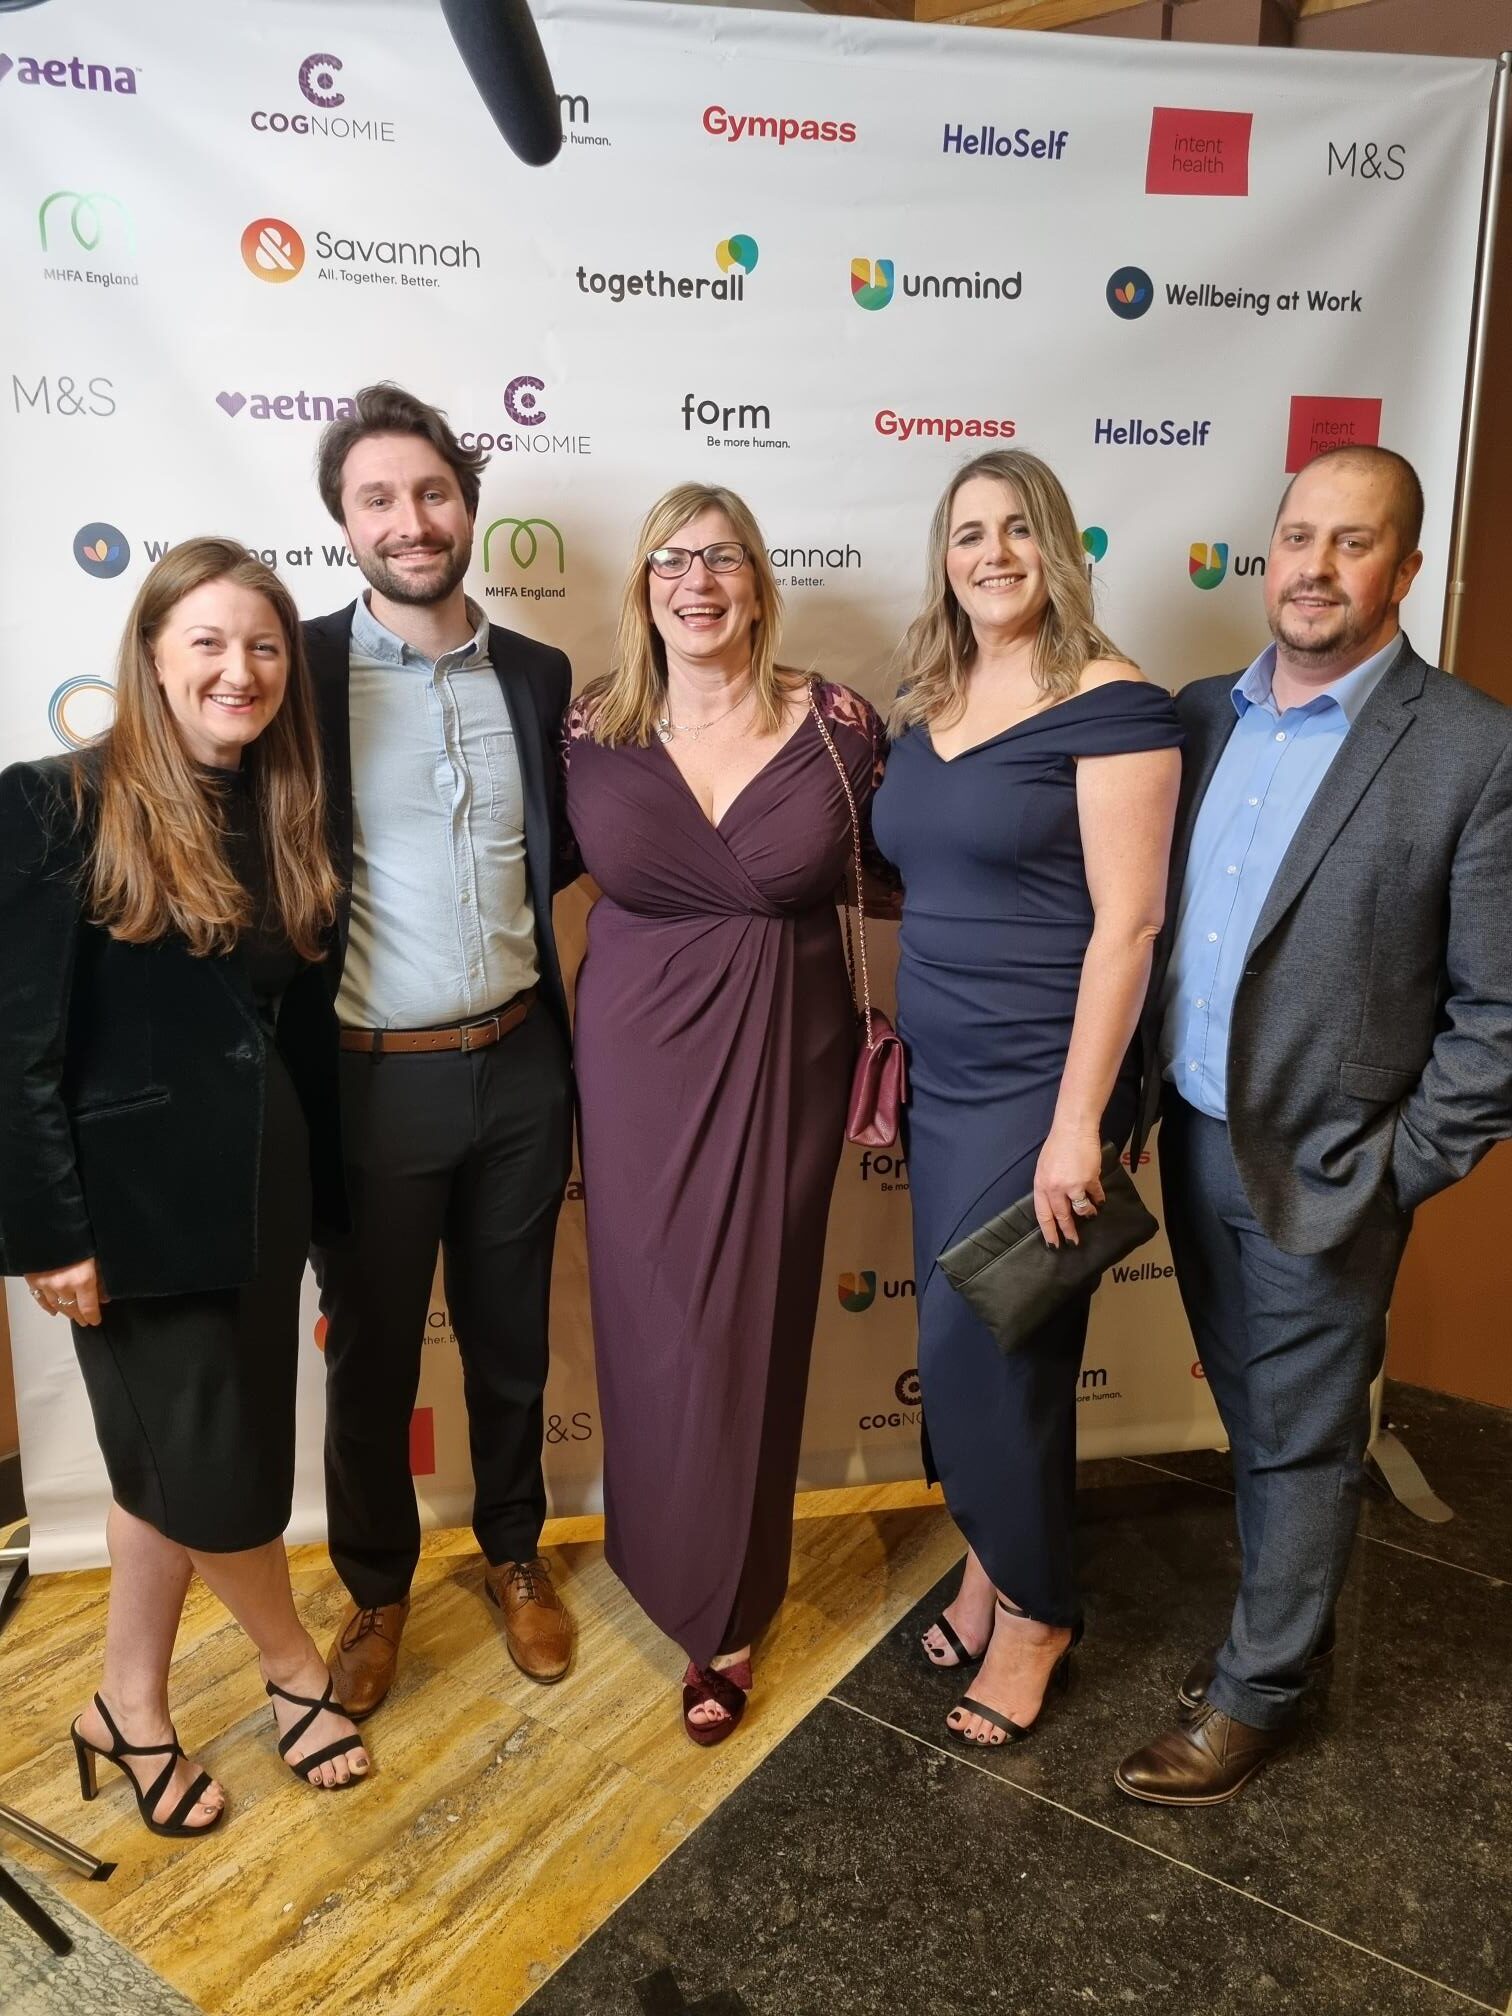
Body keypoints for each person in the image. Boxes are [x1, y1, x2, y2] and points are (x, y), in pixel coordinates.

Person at [1116, 445, 1512, 1805]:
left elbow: (1498, 1014)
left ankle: (1261, 1693)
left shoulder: (1471, 748)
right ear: (1268, 553)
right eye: (1299, 537)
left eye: (1354, 543)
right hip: (1193, 1137)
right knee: (1260, 1414)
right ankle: (1290, 1622)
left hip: (1331, 1170)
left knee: (1302, 1439)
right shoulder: (1199, 717)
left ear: (1406, 570)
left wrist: (1394, 1172)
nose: (1317, 567)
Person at [0, 539, 371, 1835]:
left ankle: (128, 1704)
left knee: (177, 1467)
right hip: (129, 1222)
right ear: (153, 654)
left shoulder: (281, 808)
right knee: (211, 1474)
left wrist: (328, 1217)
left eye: (264, 646)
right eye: (208, 641)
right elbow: (15, 1046)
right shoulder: (50, 805)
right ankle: (294, 1669)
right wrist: (50, 1233)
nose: (240, 669)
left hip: (259, 1198)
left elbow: (295, 1036)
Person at [563, 483, 884, 1744]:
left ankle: (731, 1614)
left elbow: (911, 865)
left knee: (752, 1325)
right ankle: (663, 1559)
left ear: (759, 579)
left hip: (783, 1056)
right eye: (670, 561)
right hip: (633, 1064)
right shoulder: (590, 724)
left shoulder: (841, 726)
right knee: (653, 1325)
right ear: (642, 587)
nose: (696, 583)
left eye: (722, 558)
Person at [871, 450, 1182, 1749]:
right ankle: (990, 1567)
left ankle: (1040, 1612)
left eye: (1015, 529)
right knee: (984, 1355)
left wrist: (1075, 1125)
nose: (991, 554)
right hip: (943, 1083)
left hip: (1040, 1087)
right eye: (967, 533)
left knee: (992, 1355)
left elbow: (1131, 925)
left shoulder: (1113, 703)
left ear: (1057, 546)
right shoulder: (934, 702)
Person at [304, 384, 577, 1718]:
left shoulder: (538, 674)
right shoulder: (297, 673)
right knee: (372, 1362)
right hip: (366, 1083)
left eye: (430, 493)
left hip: (522, 1066)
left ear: (468, 505)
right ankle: (376, 1588)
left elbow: (565, 859)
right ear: (343, 522)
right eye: (379, 499)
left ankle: (516, 1552)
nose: (409, 521)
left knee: (511, 1342)